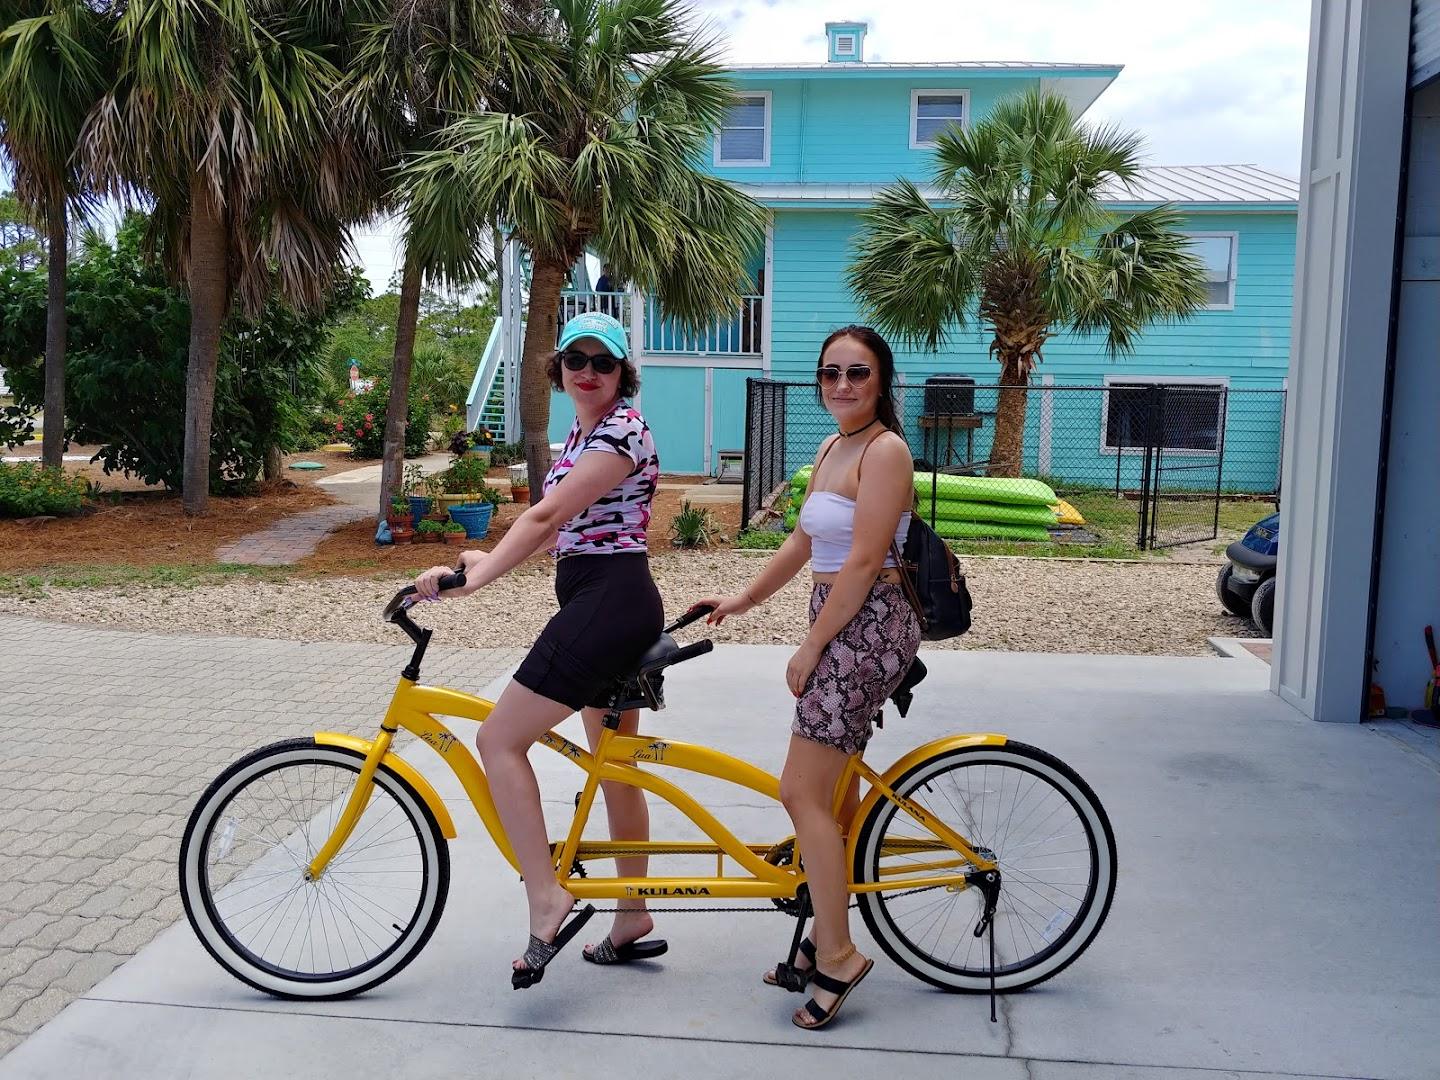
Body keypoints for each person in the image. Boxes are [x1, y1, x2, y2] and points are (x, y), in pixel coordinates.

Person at [414, 310, 666, 987]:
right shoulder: (581, 434)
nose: (588, 372)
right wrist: (484, 559)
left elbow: (548, 514)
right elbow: (561, 529)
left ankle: (547, 895)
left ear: (622, 374)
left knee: (498, 740)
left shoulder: (622, 429)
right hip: (604, 597)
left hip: (609, 600)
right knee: (615, 767)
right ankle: (632, 913)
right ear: (558, 369)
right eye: (575, 360)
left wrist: (476, 583)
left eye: (603, 362)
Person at [695, 326, 921, 1030]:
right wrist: (743, 599)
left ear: (881, 380)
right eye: (830, 373)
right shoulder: (831, 447)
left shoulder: (886, 451)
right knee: (833, 798)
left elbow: (863, 562)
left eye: (857, 372)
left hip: (869, 624)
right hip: (841, 617)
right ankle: (821, 937)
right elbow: (803, 540)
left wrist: (811, 647)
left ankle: (840, 955)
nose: (842, 385)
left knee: (800, 791)